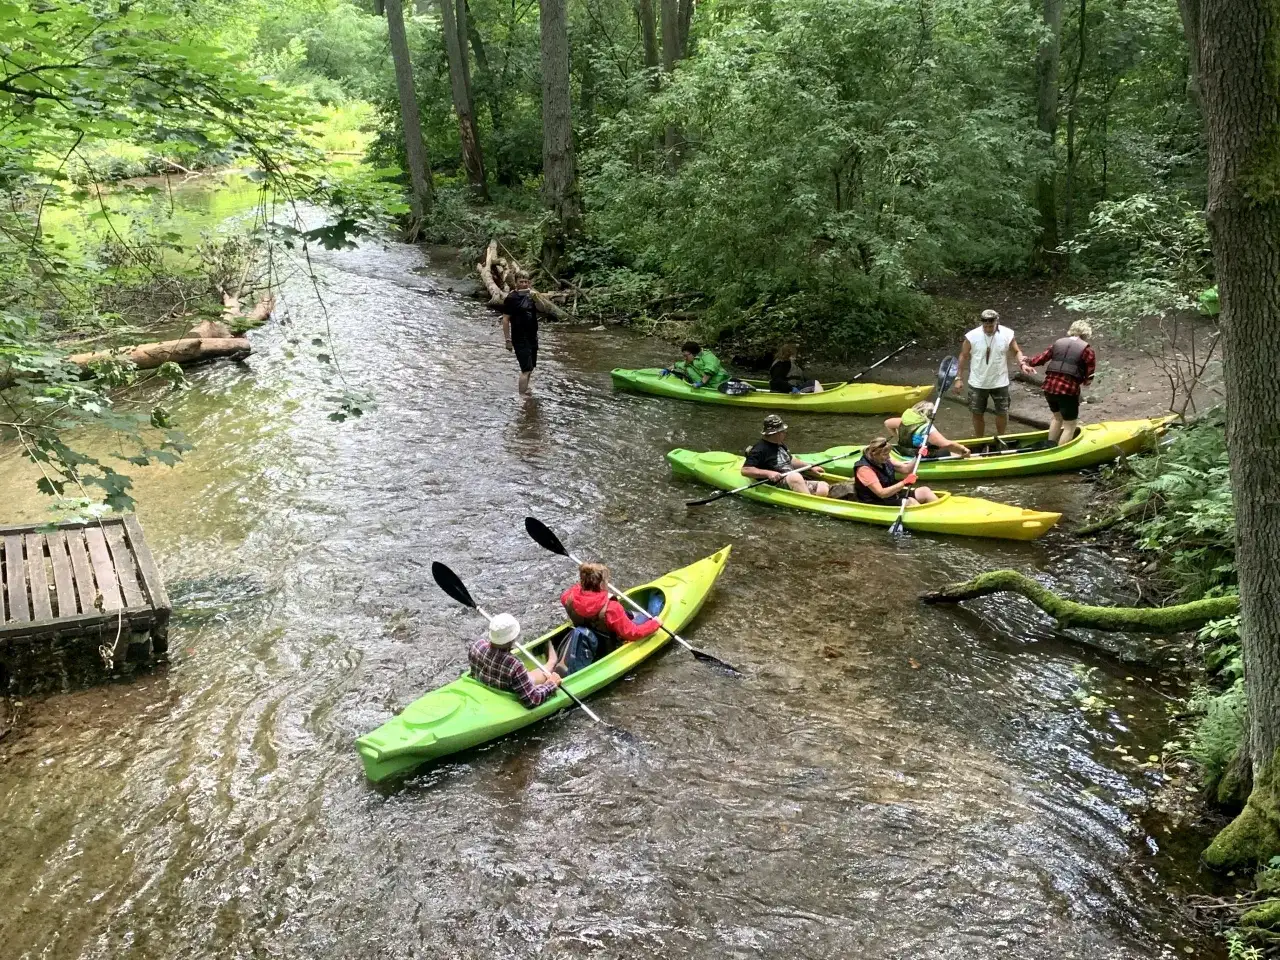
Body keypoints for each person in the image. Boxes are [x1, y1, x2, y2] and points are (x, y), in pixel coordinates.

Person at [557, 563, 664, 671]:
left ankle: (630, 615)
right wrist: (654, 624)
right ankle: (654, 615)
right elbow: (632, 633)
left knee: (626, 614)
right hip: (608, 646)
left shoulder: (568, 597)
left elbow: (576, 591)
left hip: (590, 633)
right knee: (647, 616)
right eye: (607, 580)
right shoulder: (612, 608)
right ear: (601, 584)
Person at [953, 309, 1027, 439]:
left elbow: (1016, 351)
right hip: (978, 382)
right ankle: (979, 440)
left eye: (991, 326)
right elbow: (963, 356)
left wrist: (1022, 363)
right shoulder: (972, 336)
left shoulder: (1007, 334)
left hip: (1000, 381)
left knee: (1002, 412)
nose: (988, 329)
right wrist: (959, 378)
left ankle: (1001, 438)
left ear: (996, 322)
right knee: (977, 413)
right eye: (985, 326)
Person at [1021, 319, 1096, 446]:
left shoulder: (1058, 343)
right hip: (1067, 391)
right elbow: (1090, 373)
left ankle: (1050, 446)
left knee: (1057, 417)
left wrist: (1029, 360)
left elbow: (1041, 359)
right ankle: (1060, 453)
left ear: (1072, 331)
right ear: (1086, 334)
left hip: (1049, 387)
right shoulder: (1087, 350)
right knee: (1070, 425)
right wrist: (1086, 381)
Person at [468, 612, 563, 707]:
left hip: (490, 688)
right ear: (512, 639)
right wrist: (551, 684)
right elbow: (532, 700)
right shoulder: (515, 666)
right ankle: (552, 661)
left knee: (530, 675)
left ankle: (551, 660)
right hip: (508, 694)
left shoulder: (477, 646)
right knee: (546, 670)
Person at [829, 436, 938, 506]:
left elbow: (906, 469)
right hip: (875, 501)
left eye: (888, 454)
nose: (887, 457)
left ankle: (940, 513)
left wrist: (917, 455)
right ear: (874, 454)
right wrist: (904, 483)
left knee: (925, 491)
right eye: (885, 454)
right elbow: (881, 493)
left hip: (891, 495)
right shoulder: (864, 469)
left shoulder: (885, 459)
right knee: (910, 502)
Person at [741, 414, 830, 496]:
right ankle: (810, 501)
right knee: (795, 477)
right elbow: (746, 470)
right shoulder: (759, 449)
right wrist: (768, 473)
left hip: (794, 480)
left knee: (823, 487)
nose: (785, 433)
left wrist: (810, 467)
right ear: (775, 433)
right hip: (778, 482)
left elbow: (790, 460)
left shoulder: (779, 443)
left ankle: (811, 497)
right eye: (782, 431)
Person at [884, 401, 971, 459]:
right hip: (920, 454)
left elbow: (887, 423)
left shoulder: (904, 421)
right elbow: (946, 444)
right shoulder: (927, 428)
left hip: (904, 450)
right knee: (947, 451)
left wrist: (898, 437)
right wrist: (963, 449)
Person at [501, 274, 538, 395]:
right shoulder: (512, 298)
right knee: (525, 369)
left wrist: (537, 298)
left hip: (532, 336)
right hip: (519, 338)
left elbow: (541, 310)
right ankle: (522, 398)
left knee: (531, 367)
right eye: (521, 281)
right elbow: (505, 319)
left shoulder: (531, 296)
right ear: (516, 282)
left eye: (526, 282)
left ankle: (527, 391)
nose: (524, 284)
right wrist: (508, 340)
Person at [663, 341, 730, 390]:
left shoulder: (708, 356)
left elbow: (710, 369)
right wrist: (667, 369)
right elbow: (679, 364)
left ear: (694, 353)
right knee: (688, 369)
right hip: (709, 386)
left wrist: (701, 383)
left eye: (686, 355)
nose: (685, 358)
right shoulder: (692, 360)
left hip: (723, 384)